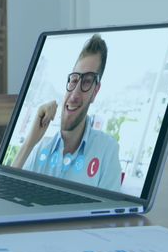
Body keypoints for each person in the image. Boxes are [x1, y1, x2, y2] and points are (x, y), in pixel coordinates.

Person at [10, 34, 122, 191]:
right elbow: (7, 192)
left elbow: (112, 214)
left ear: (95, 92)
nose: (75, 95)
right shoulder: (40, 147)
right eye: (74, 80)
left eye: (87, 82)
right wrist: (30, 141)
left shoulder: (107, 151)